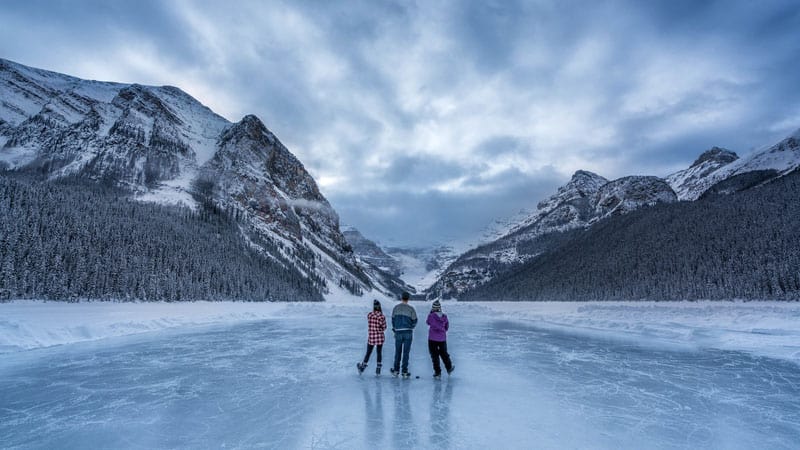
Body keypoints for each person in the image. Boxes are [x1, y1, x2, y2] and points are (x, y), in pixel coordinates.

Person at [391, 291, 417, 378]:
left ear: (402, 298)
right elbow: (415, 320)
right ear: (408, 299)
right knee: (406, 352)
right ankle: (404, 372)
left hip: (398, 332)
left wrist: (395, 328)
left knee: (397, 352)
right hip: (408, 332)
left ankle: (396, 371)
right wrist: (411, 327)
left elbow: (393, 320)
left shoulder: (396, 308)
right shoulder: (411, 309)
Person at [358, 299, 387, 376]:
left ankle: (362, 367)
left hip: (371, 337)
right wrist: (380, 329)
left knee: (368, 353)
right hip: (380, 337)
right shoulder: (382, 316)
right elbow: (384, 327)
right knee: (379, 352)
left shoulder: (369, 315)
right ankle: (378, 370)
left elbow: (370, 324)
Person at [426, 299, 454, 379]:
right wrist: (442, 331)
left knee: (434, 356)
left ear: (433, 308)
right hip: (442, 339)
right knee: (444, 353)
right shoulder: (444, 317)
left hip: (432, 339)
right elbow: (447, 327)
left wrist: (431, 313)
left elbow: (427, 322)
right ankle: (449, 368)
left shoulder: (431, 316)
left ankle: (437, 372)